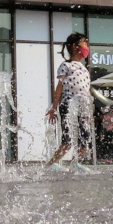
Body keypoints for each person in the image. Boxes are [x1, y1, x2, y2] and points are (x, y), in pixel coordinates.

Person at [47, 32, 93, 169]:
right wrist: (53, 108)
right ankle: (50, 165)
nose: (87, 46)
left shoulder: (84, 69)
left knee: (85, 140)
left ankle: (75, 164)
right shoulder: (66, 66)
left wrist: (89, 111)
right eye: (84, 43)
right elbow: (59, 88)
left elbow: (87, 91)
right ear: (75, 46)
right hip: (68, 104)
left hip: (83, 106)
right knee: (67, 141)